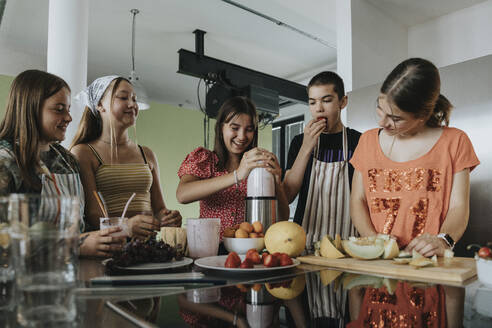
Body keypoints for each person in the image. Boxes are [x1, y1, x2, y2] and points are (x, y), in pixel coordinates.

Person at [350, 58, 480, 257]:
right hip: (378, 264)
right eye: (379, 108)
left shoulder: (455, 141)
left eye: (396, 118)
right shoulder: (367, 141)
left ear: (422, 115)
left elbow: (458, 207)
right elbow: (357, 200)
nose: (382, 122)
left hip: (430, 265)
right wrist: (373, 240)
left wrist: (443, 239)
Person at [0, 69, 124, 257]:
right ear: (30, 108)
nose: (68, 117)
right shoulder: (6, 160)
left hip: (72, 273)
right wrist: (75, 245)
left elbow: (79, 225)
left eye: (67, 109)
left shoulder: (67, 161)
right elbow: (5, 240)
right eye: (59, 109)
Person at [71, 76, 182, 239]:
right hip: (110, 249)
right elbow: (93, 216)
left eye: (134, 99)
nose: (132, 104)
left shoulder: (147, 154)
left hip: (147, 248)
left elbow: (158, 210)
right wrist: (125, 226)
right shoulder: (83, 153)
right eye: (123, 97)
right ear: (100, 104)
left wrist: (168, 218)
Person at [176, 96, 289, 240]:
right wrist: (237, 175)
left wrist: (277, 184)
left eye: (249, 129)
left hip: (249, 251)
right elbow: (182, 195)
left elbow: (282, 218)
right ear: (221, 127)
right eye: (235, 128)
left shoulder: (260, 165)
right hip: (211, 247)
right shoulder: (205, 159)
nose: (242, 136)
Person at [283, 71, 361, 249]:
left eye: (326, 100)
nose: (318, 108)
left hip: (348, 245)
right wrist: (306, 146)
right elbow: (287, 194)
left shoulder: (359, 141)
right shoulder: (298, 142)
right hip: (305, 243)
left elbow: (365, 200)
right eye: (312, 102)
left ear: (343, 102)